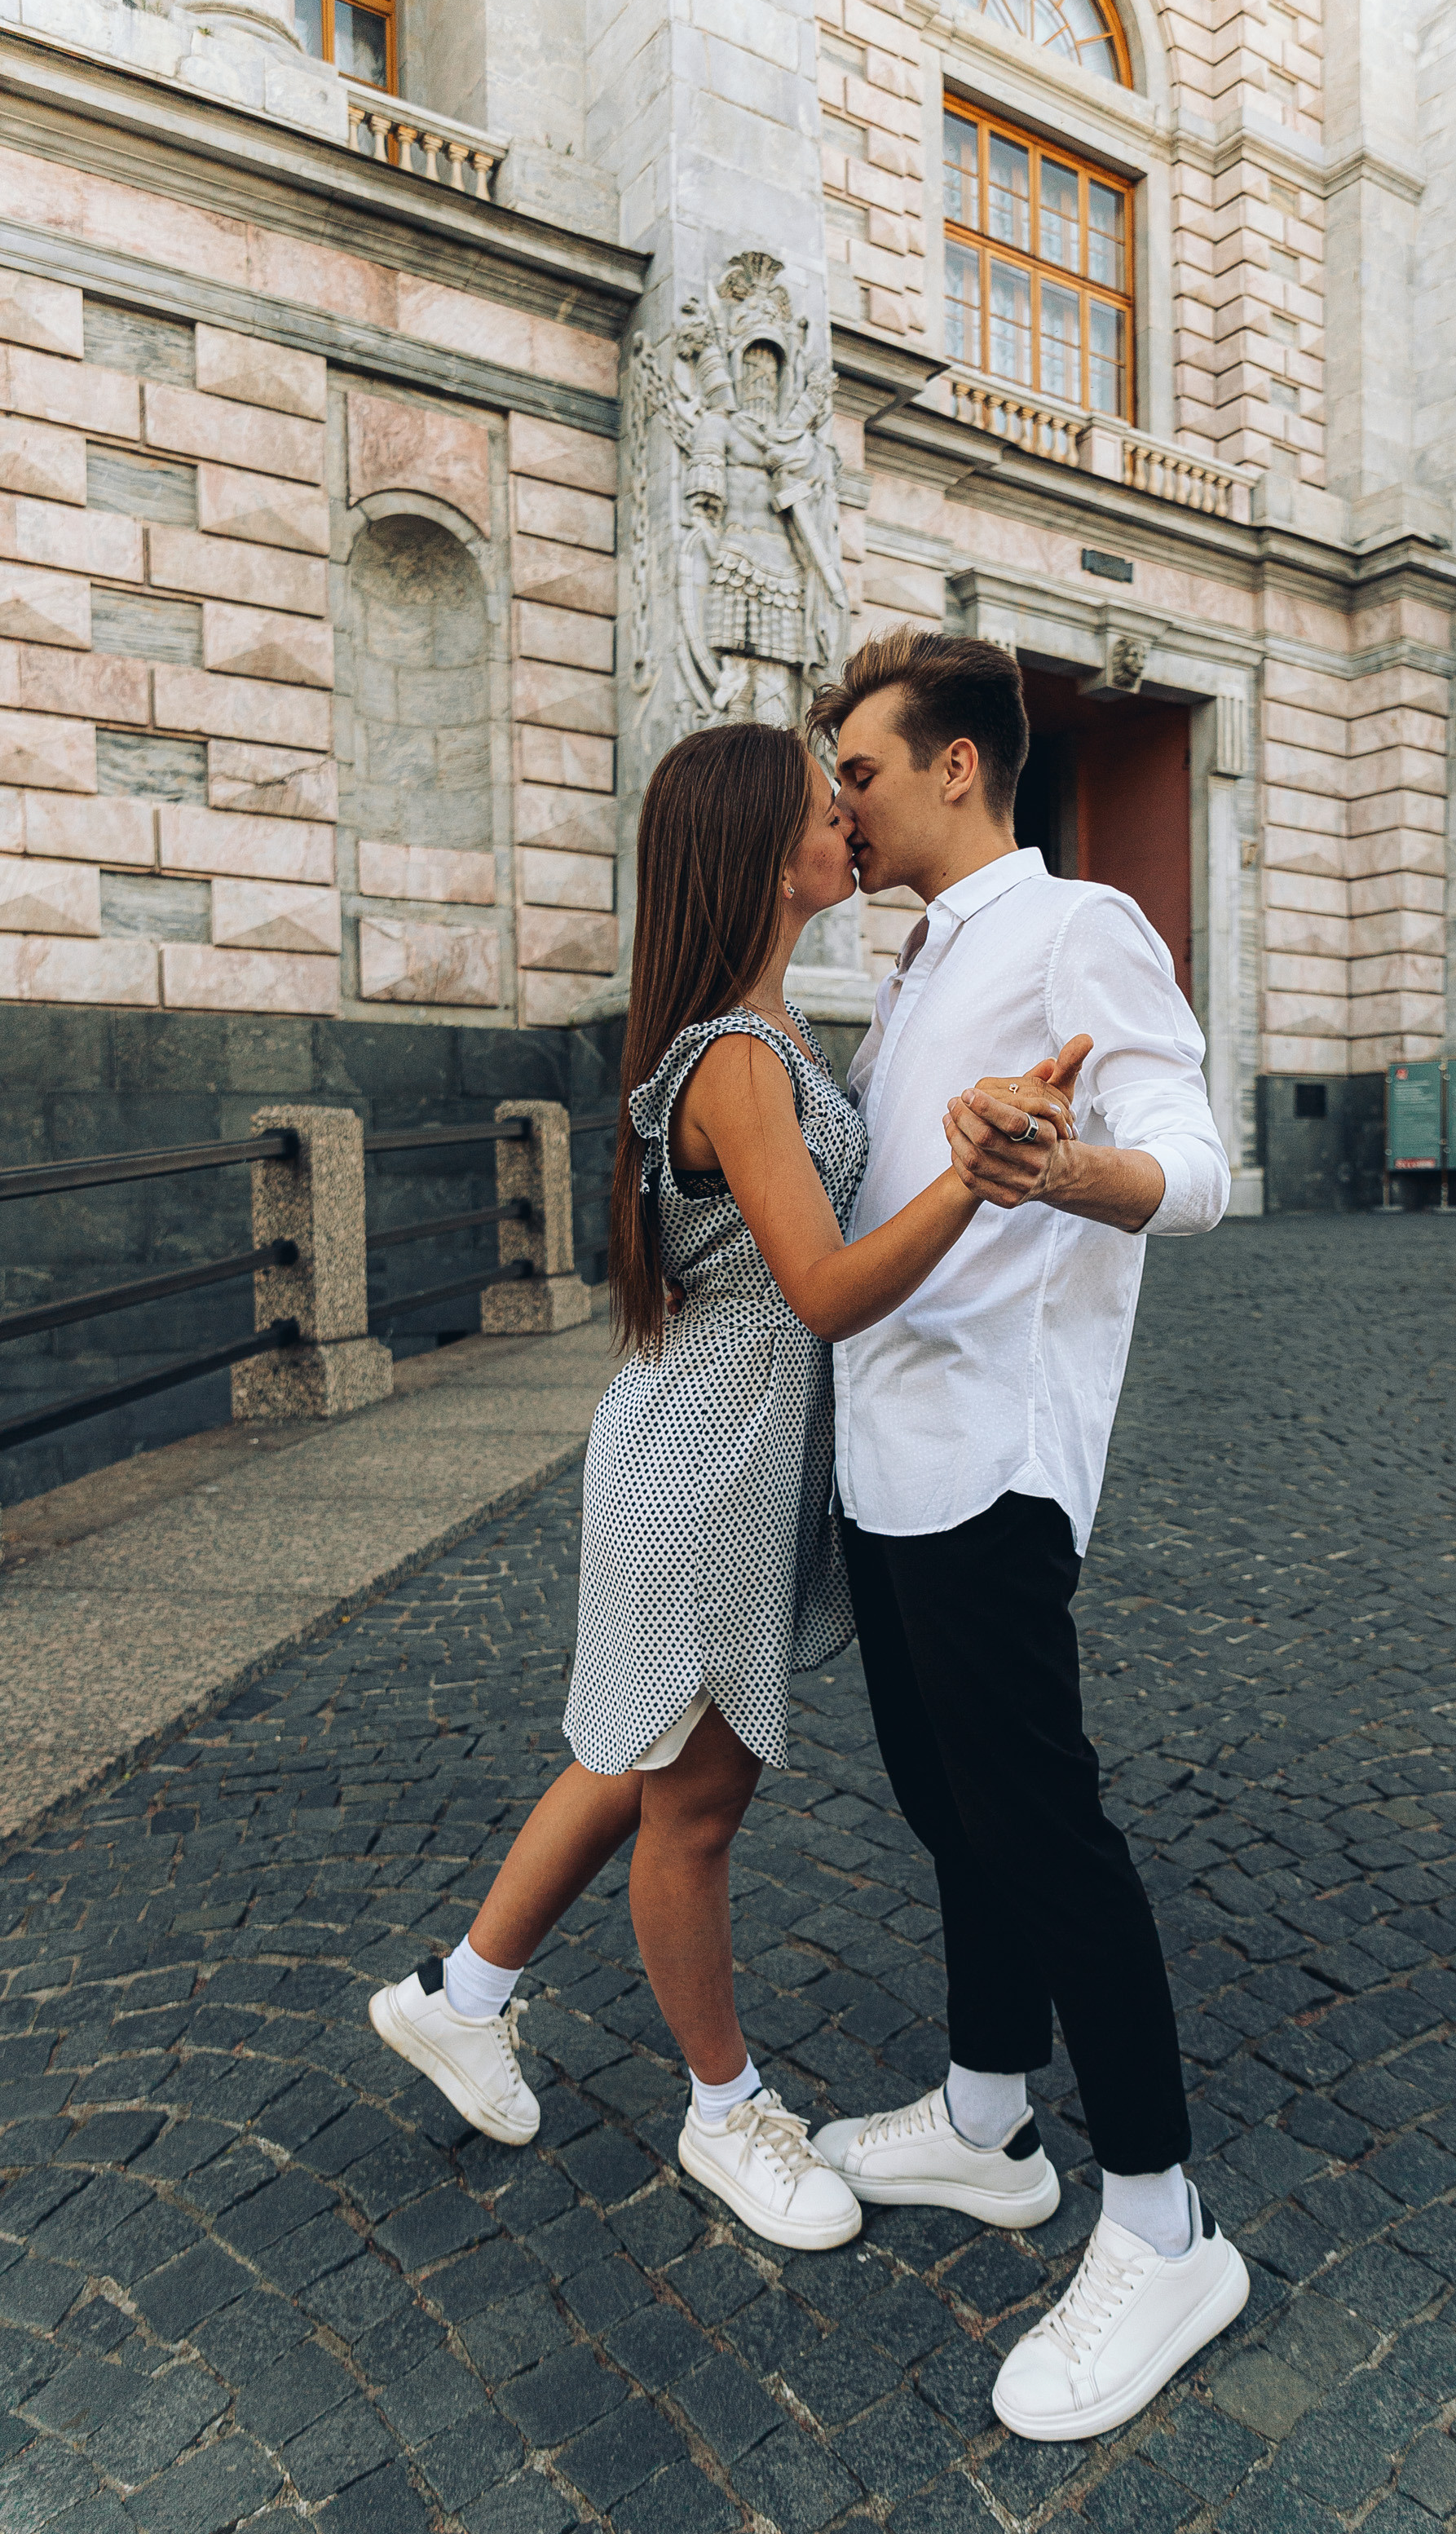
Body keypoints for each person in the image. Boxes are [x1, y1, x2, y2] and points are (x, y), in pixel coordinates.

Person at [367, 719, 1083, 2254]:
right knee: (694, 1801)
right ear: (766, 855)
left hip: (714, 1445)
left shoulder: (759, 1029)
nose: (850, 823)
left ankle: (462, 1994)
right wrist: (978, 1178)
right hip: (704, 1463)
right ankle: (722, 2109)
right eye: (826, 809)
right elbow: (822, 1290)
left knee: (640, 1753)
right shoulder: (741, 1058)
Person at [804, 626, 1250, 2441]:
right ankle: (989, 2117)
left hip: (993, 1456)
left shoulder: (1075, 926)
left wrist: (1066, 1170)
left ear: (958, 766)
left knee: (1046, 1831)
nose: (840, 802)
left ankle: (1161, 2221)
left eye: (858, 770)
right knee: (946, 1806)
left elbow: (1196, 1167)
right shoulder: (918, 956)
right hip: (886, 1455)